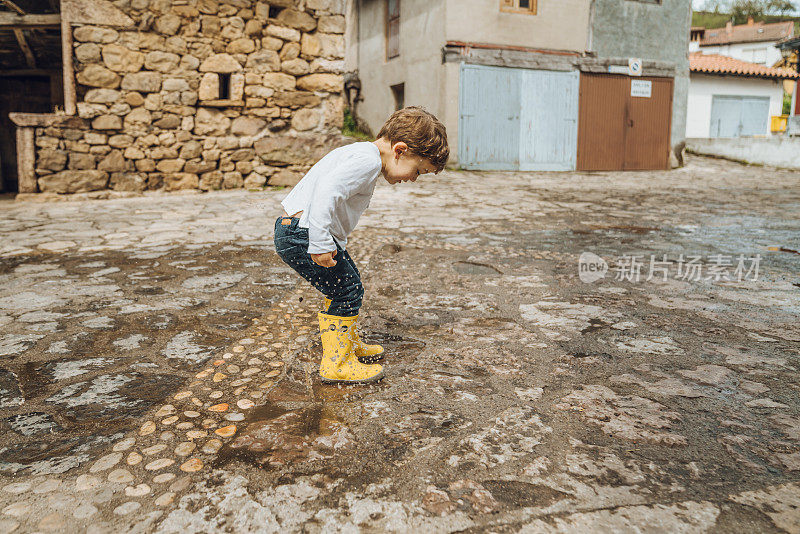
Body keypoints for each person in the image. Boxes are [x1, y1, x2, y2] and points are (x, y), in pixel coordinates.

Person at [273, 106, 449, 385]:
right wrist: (318, 243)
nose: (412, 179)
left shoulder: (362, 153)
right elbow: (326, 192)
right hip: (304, 235)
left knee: (349, 285)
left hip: (301, 232)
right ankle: (337, 363)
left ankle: (346, 345)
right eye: (418, 171)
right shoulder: (366, 162)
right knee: (346, 291)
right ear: (400, 151)